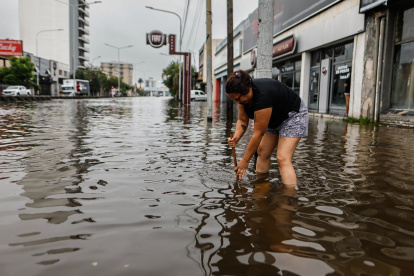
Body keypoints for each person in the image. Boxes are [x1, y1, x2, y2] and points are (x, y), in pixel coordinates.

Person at [226, 70, 308, 185]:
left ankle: (290, 197)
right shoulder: (242, 99)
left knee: (282, 157)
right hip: (272, 116)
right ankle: (261, 185)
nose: (238, 102)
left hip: (292, 115)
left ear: (248, 89)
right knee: (262, 152)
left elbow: (258, 134)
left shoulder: (262, 97)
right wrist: (236, 137)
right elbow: (242, 120)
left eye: (239, 99)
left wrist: (245, 161)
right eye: (235, 100)